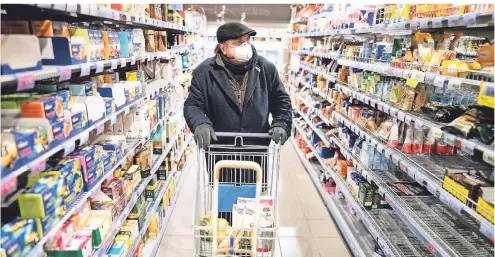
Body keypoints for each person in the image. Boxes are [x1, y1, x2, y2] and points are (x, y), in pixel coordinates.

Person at [184, 22, 292, 149]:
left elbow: (281, 100)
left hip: (256, 149)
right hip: (220, 149)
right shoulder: (204, 72)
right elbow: (192, 104)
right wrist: (199, 122)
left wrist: (281, 123)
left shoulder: (266, 68)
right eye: (238, 42)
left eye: (247, 41)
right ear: (223, 48)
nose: (245, 46)